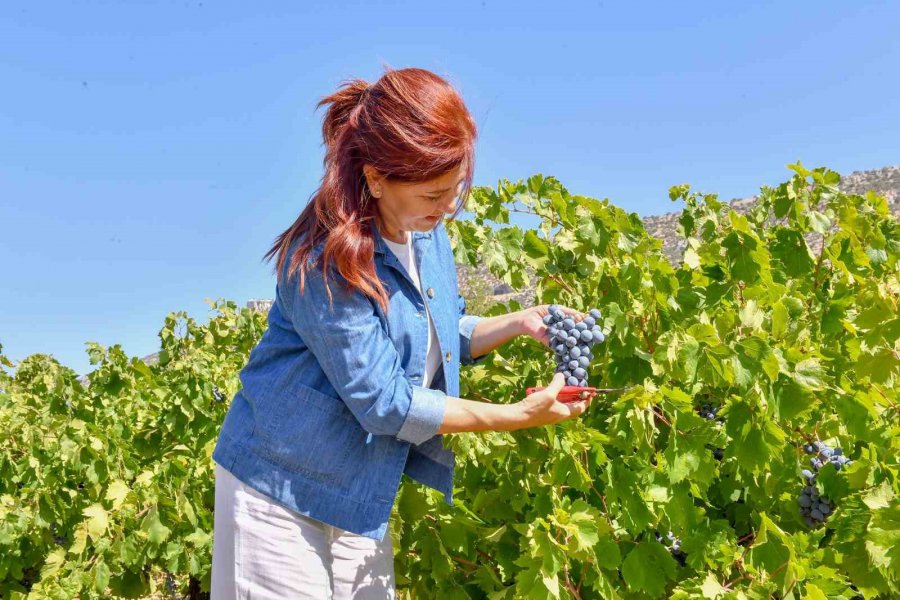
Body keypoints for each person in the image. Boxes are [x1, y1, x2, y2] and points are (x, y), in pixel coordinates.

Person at [210, 66, 592, 599]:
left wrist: (520, 321)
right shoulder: (325, 259)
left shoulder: (426, 233)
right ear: (375, 179)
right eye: (433, 195)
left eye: (454, 192)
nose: (446, 209)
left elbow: (436, 334)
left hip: (359, 487)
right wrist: (517, 417)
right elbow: (386, 402)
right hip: (277, 487)